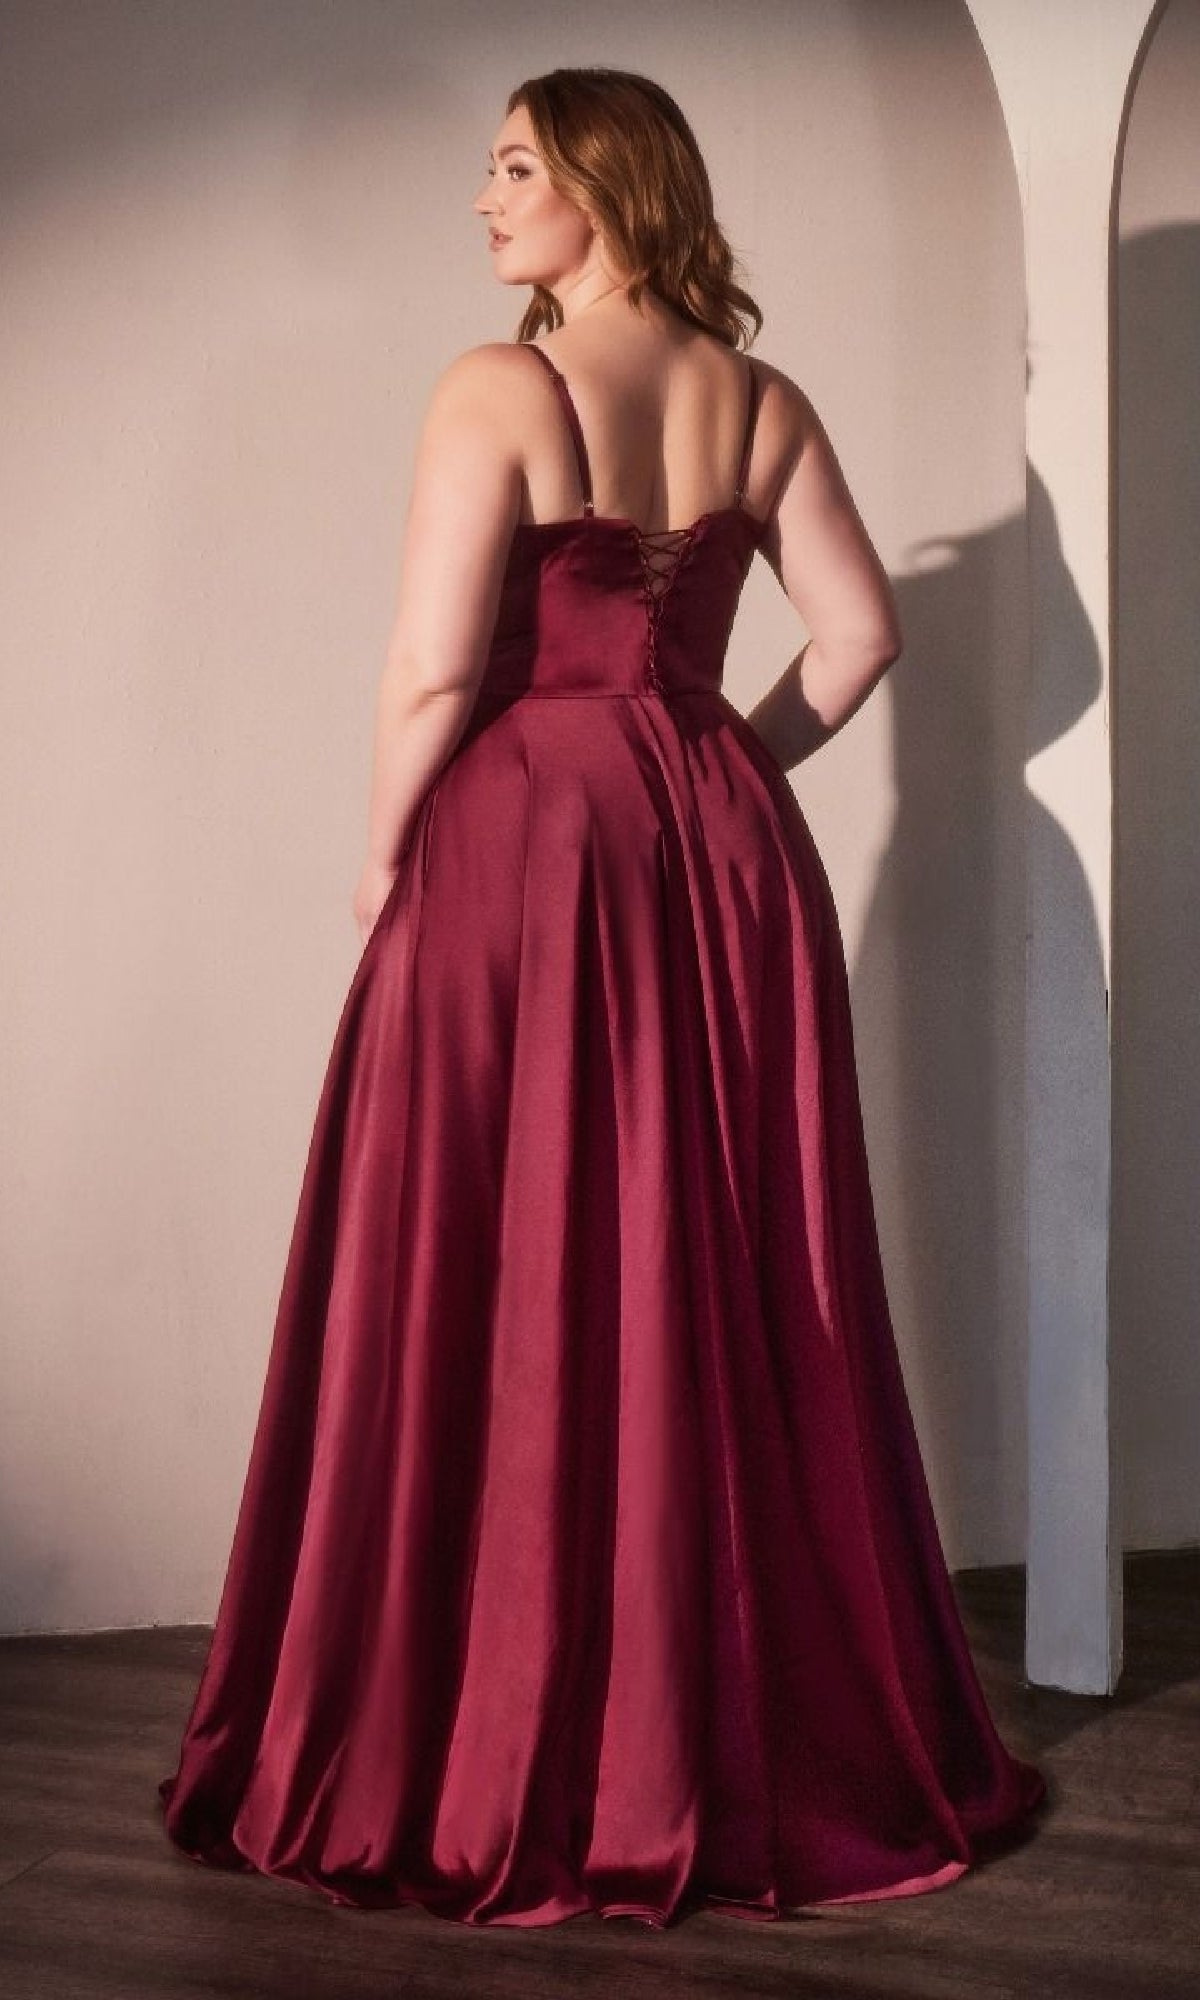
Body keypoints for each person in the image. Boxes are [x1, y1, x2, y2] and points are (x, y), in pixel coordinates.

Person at [158, 66, 1047, 1929]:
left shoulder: (499, 388)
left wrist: (390, 853)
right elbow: (861, 635)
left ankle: (496, 1744)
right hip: (717, 855)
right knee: (701, 1260)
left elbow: (423, 668)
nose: (481, 200)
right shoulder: (763, 398)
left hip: (523, 851)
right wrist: (717, 763)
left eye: (514, 168)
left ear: (605, 191)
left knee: (497, 1252)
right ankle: (702, 1743)